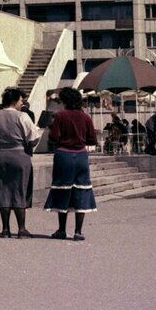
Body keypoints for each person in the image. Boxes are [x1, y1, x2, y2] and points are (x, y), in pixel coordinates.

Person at [43, 87, 98, 241]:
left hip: (63, 155)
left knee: (63, 190)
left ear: (65, 101)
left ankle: (61, 230)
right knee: (81, 190)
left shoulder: (60, 116)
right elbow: (92, 140)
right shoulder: (85, 117)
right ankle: (78, 231)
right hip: (81, 156)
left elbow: (54, 138)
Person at [0, 87, 41, 238]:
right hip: (20, 154)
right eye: (21, 100)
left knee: (2, 190)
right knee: (20, 189)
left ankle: (5, 229)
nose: (22, 103)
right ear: (15, 100)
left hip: (1, 155)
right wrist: (29, 146)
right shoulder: (22, 116)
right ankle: (21, 229)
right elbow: (34, 137)